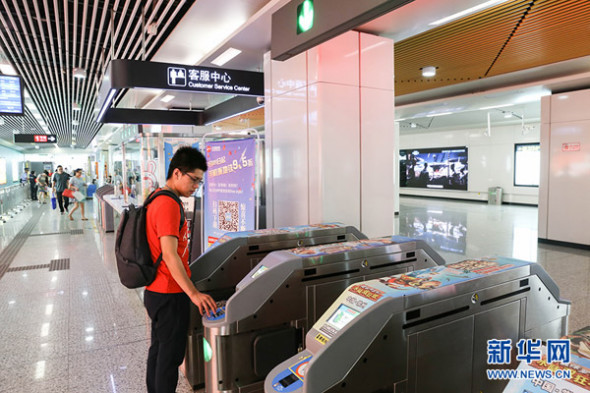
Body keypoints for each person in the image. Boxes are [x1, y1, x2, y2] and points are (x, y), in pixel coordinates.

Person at [143, 146, 216, 393]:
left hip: (156, 290)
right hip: (169, 292)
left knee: (159, 350)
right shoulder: (168, 204)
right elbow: (170, 255)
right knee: (169, 358)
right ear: (177, 173)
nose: (196, 186)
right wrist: (193, 294)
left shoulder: (157, 196)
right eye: (193, 179)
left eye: (200, 181)